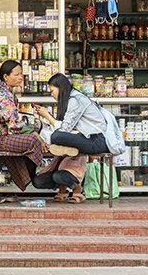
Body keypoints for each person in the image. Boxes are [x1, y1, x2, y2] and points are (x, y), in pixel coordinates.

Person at [33, 73, 109, 204]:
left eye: (52, 91)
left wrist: (47, 116)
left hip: (97, 140)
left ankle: (75, 186)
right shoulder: (69, 101)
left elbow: (64, 129)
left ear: (60, 88)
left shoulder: (75, 99)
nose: (51, 94)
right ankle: (62, 180)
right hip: (84, 140)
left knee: (56, 136)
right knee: (38, 181)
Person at [0, 60, 48, 192]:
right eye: (17, 74)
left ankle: (29, 178)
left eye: (21, 74)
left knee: (33, 140)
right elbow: (14, 124)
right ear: (6, 77)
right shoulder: (2, 95)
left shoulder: (6, 92)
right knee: (33, 141)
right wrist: (34, 134)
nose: (21, 77)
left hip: (1, 137)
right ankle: (37, 177)